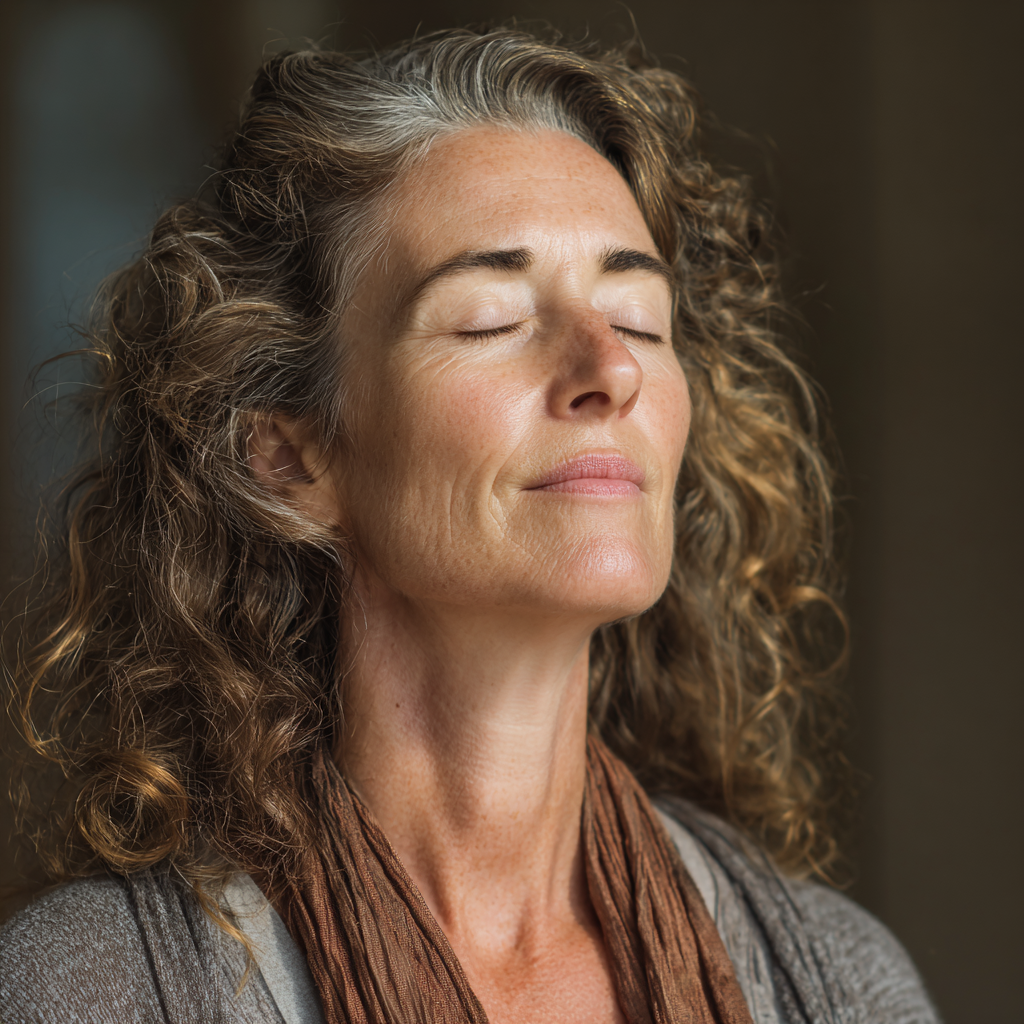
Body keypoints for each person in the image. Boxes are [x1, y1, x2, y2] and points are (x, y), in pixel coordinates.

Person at [0, 25, 939, 1024]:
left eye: (638, 320)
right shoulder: (98, 988)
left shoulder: (834, 982)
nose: (608, 371)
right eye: (491, 319)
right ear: (289, 458)